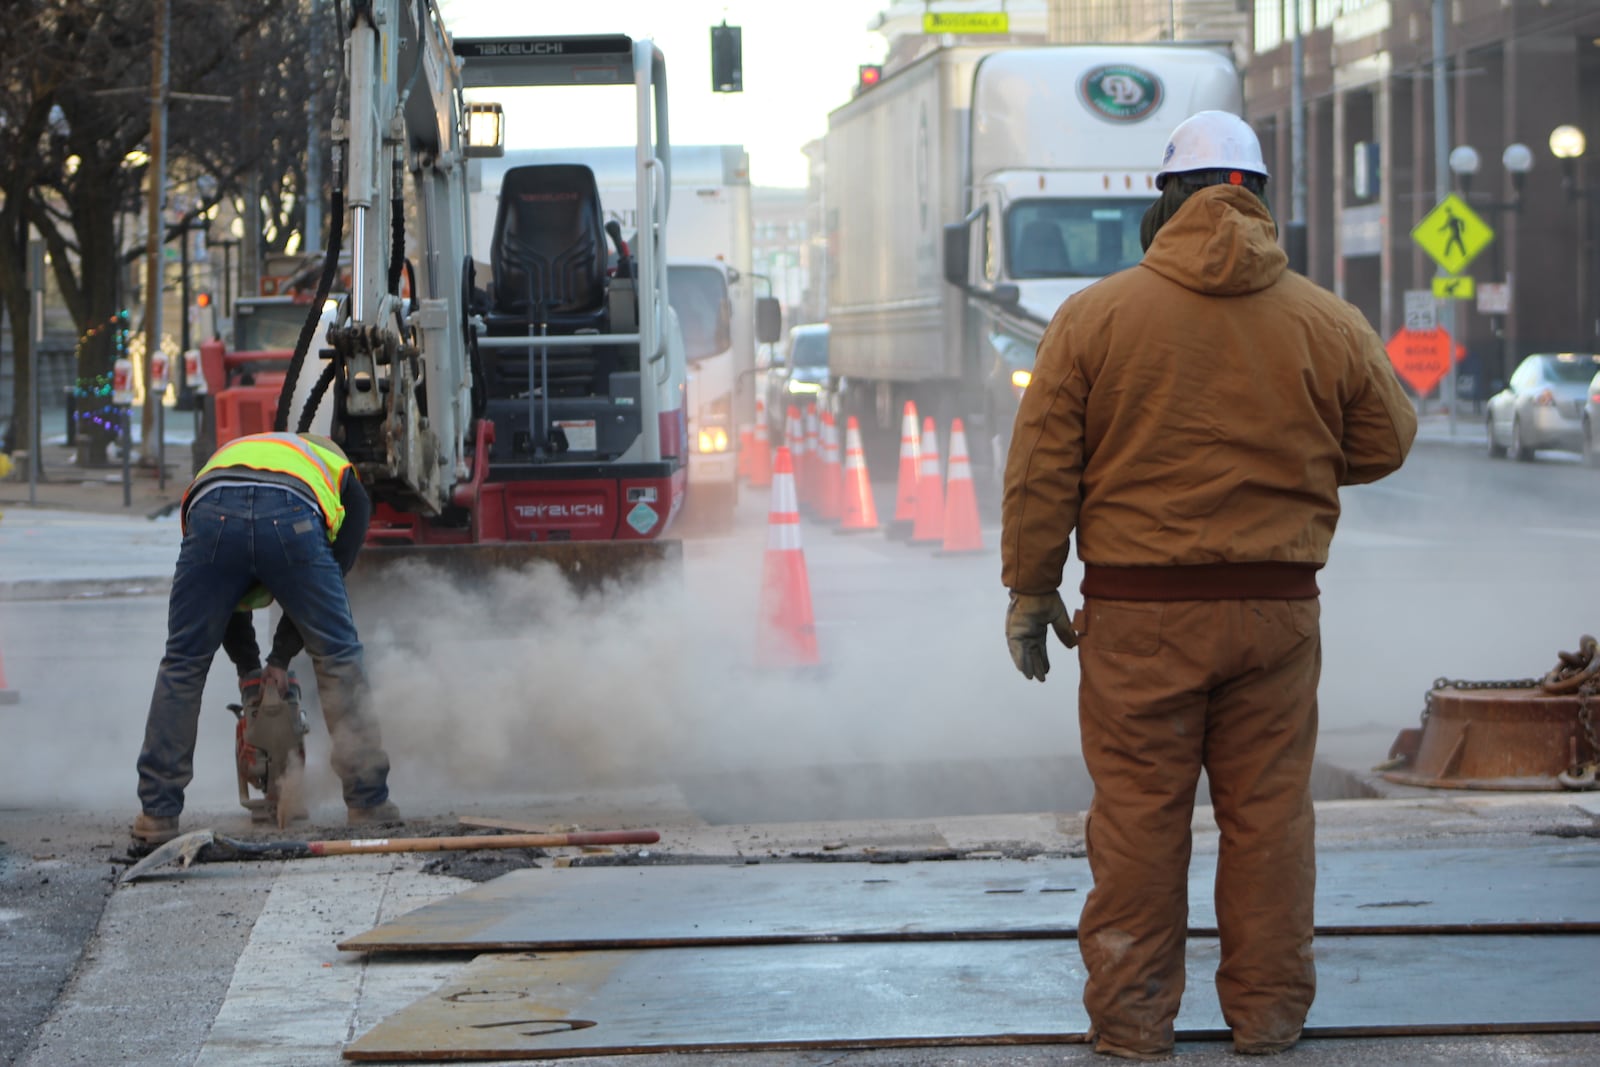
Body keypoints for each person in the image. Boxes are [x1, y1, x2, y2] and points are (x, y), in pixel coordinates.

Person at [1000, 111, 1416, 1060]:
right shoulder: (1323, 318)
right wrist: (1294, 473)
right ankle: (1267, 1017)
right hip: (1278, 614)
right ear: (1259, 198)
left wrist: (1032, 590)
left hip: (1139, 619)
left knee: (1140, 822)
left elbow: (1041, 472)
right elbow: (1387, 438)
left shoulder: (1096, 318)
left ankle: (1135, 1022)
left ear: (1167, 201)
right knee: (1269, 818)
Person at [133, 431, 399, 848]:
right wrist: (276, 662)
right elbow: (327, 574)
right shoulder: (340, 474)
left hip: (211, 512)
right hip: (291, 514)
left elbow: (224, 606)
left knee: (183, 662)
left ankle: (157, 813)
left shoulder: (236, 453)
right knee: (337, 654)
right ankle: (367, 800)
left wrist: (255, 669)